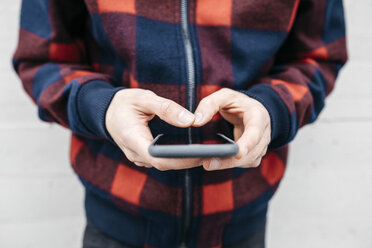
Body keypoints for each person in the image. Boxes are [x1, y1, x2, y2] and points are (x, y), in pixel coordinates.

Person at [13, 0, 347, 247]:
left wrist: (272, 109)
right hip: (116, 220)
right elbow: (42, 60)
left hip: (242, 220)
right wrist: (103, 107)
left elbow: (317, 58)